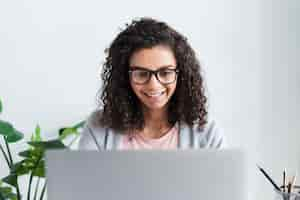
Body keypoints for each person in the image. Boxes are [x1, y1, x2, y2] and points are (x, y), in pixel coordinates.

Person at [79, 17, 226, 150]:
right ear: (124, 77)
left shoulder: (207, 132)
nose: (153, 85)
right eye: (142, 74)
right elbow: (84, 179)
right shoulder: (98, 127)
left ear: (181, 74)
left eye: (165, 73)